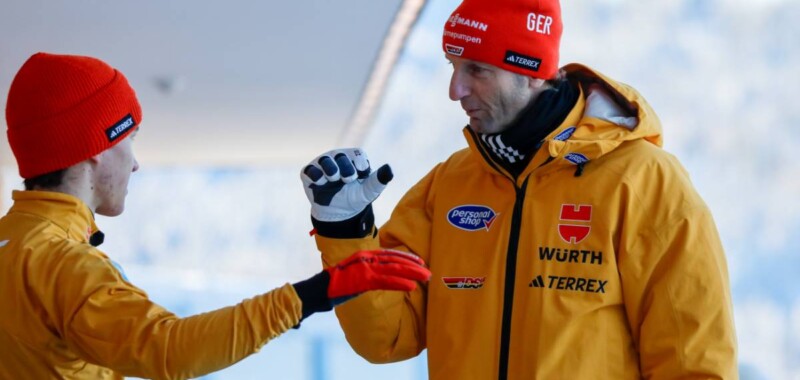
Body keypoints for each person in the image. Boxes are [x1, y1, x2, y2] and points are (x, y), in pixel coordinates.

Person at [300, 0, 738, 378]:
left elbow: (694, 363)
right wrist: (346, 233)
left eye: (477, 70)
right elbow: (387, 337)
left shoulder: (644, 184)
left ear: (531, 73)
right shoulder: (449, 184)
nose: (456, 90)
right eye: (453, 67)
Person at [0, 52, 431, 380]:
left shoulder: (16, 246)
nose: (134, 163)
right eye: (129, 139)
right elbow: (169, 350)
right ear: (95, 148)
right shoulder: (62, 265)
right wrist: (315, 294)